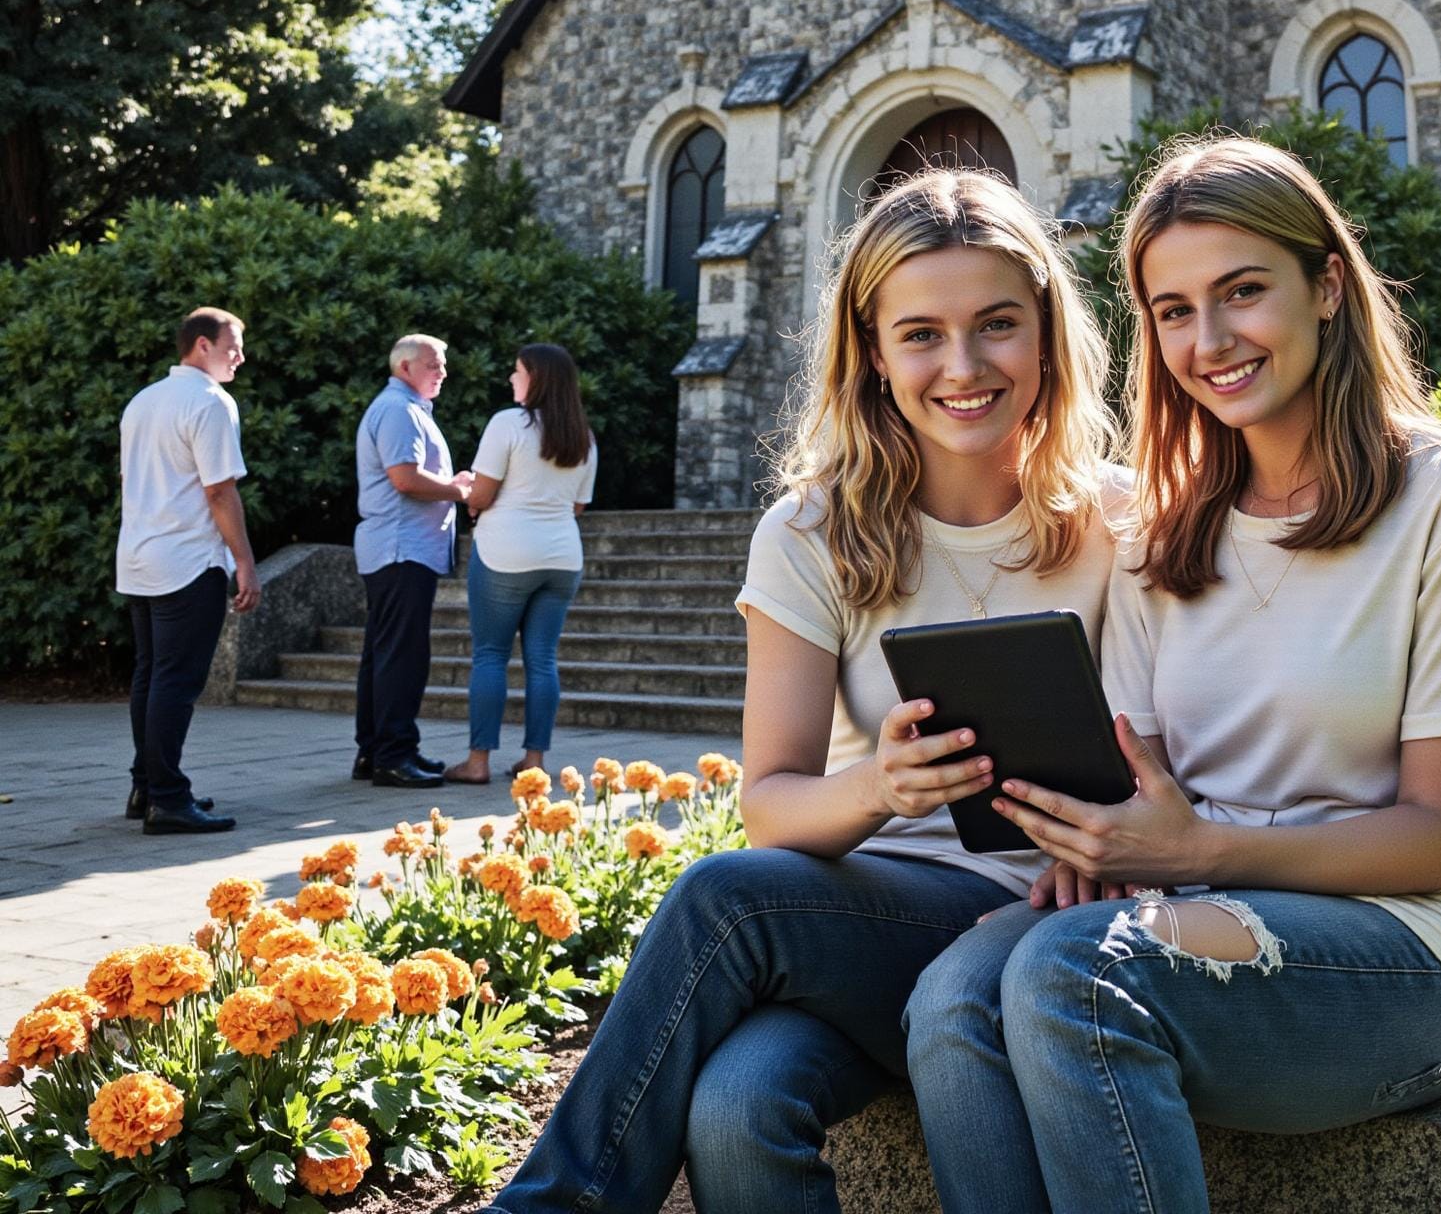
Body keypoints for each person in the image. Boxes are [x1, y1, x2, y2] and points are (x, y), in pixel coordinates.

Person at [905, 135, 1441, 1214]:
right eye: (1172, 310)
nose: (1208, 341)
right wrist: (1098, 850)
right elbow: (1142, 786)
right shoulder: (1159, 530)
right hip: (1189, 910)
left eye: (1242, 291)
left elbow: (1438, 836)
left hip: (1410, 945)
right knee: (951, 999)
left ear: (1328, 285)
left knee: (1070, 975)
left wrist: (1194, 850)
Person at [488, 168, 1124, 1214]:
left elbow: (1175, 755)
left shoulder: (1121, 521)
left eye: (997, 324)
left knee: (723, 913)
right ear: (872, 351)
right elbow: (772, 805)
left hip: (1045, 919)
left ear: (1047, 332)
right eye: (920, 333)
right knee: (738, 1104)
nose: (962, 365)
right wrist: (881, 785)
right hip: (860, 921)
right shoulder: (811, 530)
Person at [117, 307, 262, 835]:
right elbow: (219, 490)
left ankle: (147, 788)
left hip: (139, 557)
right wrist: (244, 561)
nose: (240, 356)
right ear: (203, 345)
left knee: (151, 675)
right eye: (233, 346)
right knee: (174, 681)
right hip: (188, 561)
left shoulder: (143, 400)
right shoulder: (210, 402)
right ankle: (169, 799)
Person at [440, 344, 597, 786]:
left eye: (518, 371)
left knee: (491, 655)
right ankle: (534, 761)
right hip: (562, 557)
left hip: (505, 553)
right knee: (543, 659)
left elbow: (482, 494)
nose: (512, 378)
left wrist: (471, 497)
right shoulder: (583, 437)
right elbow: (578, 505)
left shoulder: (507, 424)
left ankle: (477, 763)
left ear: (538, 379)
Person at [353, 333, 473, 787]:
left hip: (397, 549)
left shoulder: (404, 408)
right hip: (401, 549)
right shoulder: (399, 410)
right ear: (405, 367)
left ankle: (377, 750)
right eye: (433, 365)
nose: (443, 373)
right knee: (401, 656)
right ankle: (393, 755)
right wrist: (459, 490)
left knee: (384, 653)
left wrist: (448, 484)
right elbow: (405, 479)